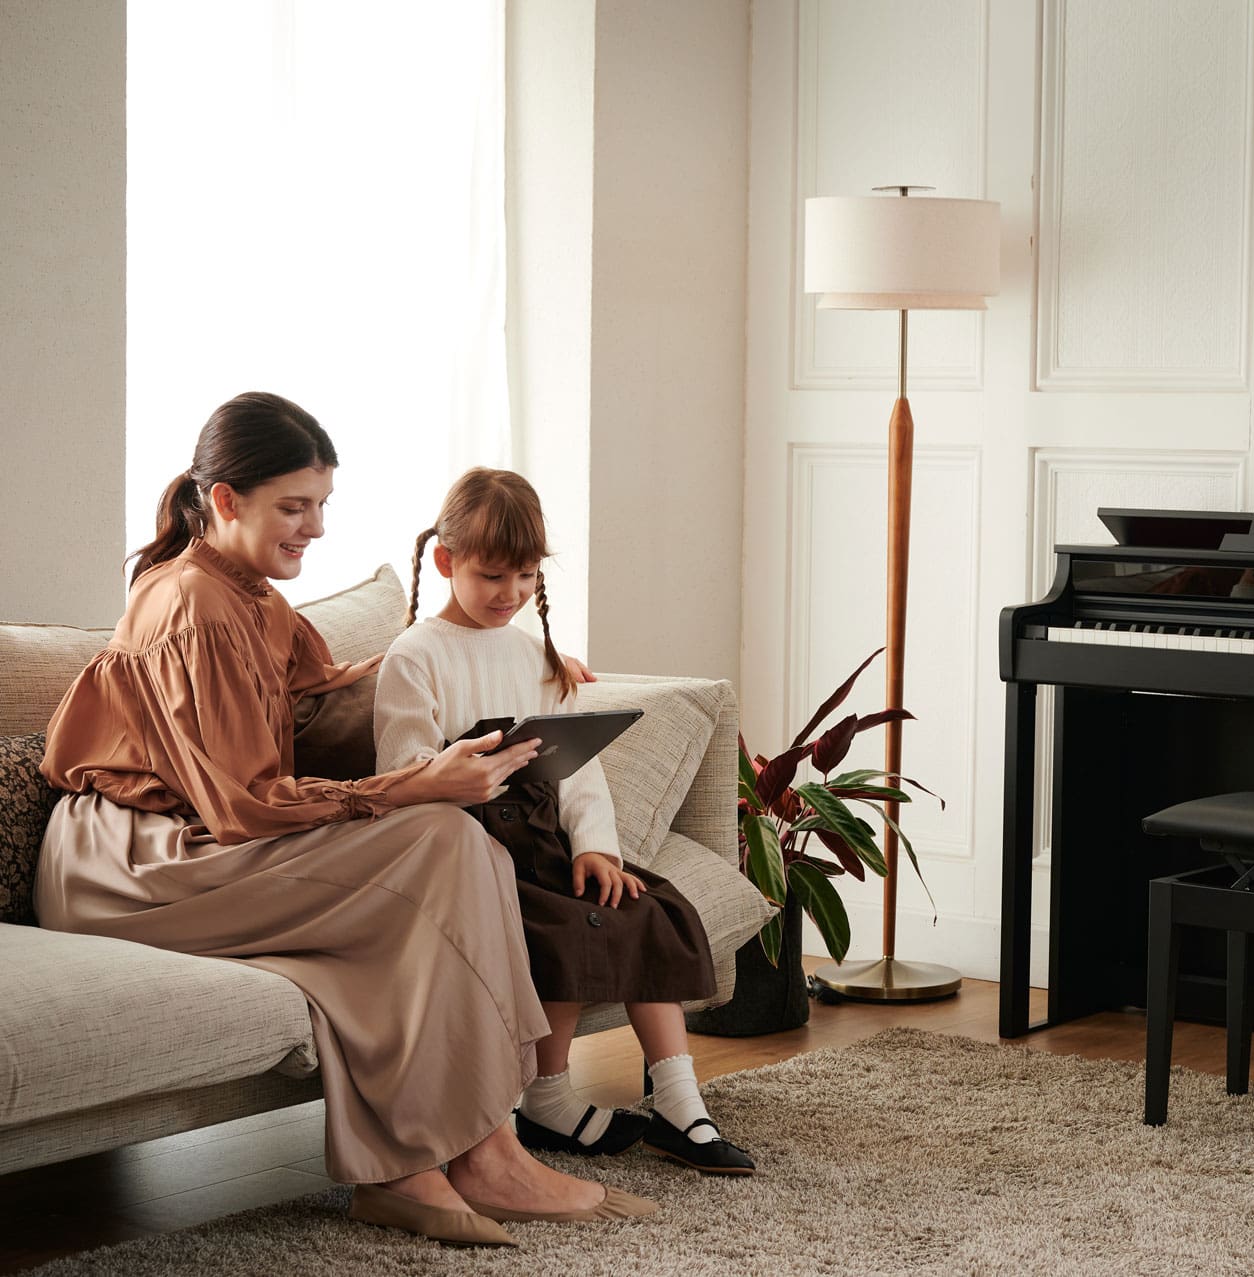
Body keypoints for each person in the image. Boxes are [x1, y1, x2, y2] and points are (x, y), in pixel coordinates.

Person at [35, 392, 653, 1249]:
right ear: (224, 500)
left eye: (321, 504)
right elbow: (243, 803)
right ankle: (480, 1153)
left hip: (199, 844)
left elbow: (322, 694)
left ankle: (470, 1151)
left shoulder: (253, 595)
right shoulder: (193, 605)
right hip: (137, 863)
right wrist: (406, 786)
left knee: (455, 845)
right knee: (440, 835)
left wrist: (505, 666)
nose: (315, 527)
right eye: (295, 506)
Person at [374, 467, 755, 1174]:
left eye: (524, 576)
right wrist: (457, 768)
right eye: (492, 575)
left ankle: (680, 1103)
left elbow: (578, 772)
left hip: (544, 837)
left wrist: (597, 848)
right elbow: (404, 773)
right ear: (446, 561)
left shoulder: (536, 656)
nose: (510, 594)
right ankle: (546, 1099)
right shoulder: (415, 658)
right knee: (568, 922)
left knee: (642, 904)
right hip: (474, 850)